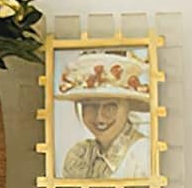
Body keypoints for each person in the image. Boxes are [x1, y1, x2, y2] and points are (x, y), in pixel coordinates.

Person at [56, 51, 152, 179]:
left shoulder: (142, 154)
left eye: (111, 107)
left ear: (128, 107)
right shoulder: (80, 155)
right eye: (91, 106)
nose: (99, 118)